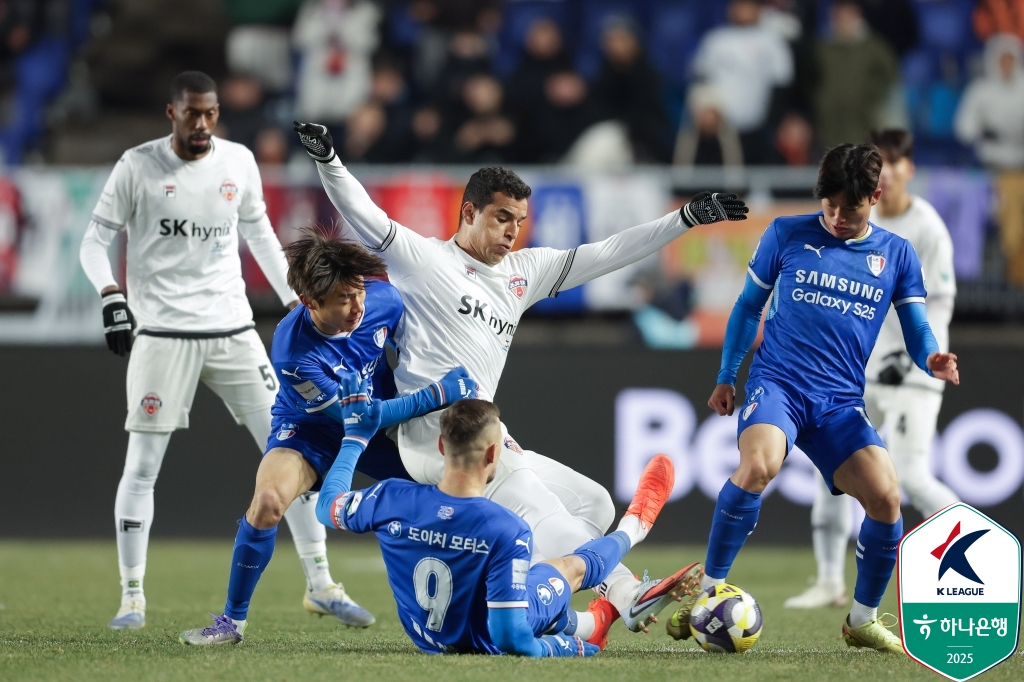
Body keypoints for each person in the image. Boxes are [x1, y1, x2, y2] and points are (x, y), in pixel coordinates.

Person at [292, 121, 747, 643]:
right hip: (437, 442)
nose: (513, 231)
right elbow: (364, 214)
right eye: (502, 218)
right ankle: (626, 594)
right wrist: (329, 160)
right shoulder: (424, 261)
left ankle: (544, 604)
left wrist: (684, 218)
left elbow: (609, 252)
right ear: (469, 213)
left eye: (520, 221)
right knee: (538, 504)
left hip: (487, 436)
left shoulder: (522, 273)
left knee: (594, 502)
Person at [77, 71, 367, 630]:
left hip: (234, 331)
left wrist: (294, 298)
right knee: (142, 467)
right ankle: (131, 598)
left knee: (295, 450)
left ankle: (322, 583)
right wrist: (112, 295)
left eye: (211, 113)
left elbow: (259, 232)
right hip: (163, 335)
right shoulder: (137, 166)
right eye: (193, 114)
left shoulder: (237, 161)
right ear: (172, 113)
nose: (204, 123)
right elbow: (94, 241)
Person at [665, 142, 960, 654]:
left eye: (852, 206)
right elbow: (747, 307)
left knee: (888, 499)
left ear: (876, 195)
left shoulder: (898, 254)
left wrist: (931, 357)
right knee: (759, 465)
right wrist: (727, 375)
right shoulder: (785, 232)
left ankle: (862, 621)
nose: (838, 216)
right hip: (776, 383)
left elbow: (917, 329)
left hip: (840, 402)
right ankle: (708, 594)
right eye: (829, 205)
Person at [179, 228, 478, 645]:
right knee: (267, 504)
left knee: (455, 501)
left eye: (358, 292)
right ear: (310, 302)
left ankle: (489, 607)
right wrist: (438, 395)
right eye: (343, 299)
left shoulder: (384, 301)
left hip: (385, 430)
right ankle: (232, 624)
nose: (357, 306)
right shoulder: (294, 353)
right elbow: (356, 417)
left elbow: (418, 352)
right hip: (310, 430)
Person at [316, 395, 700, 655]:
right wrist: (568, 650)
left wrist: (353, 438)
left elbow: (327, 507)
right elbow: (510, 636)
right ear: (494, 452)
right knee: (567, 566)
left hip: (425, 637)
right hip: (481, 637)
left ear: (439, 447)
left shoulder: (391, 498)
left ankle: (590, 621)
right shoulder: (506, 528)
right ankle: (636, 529)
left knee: (582, 516)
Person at [785, 130, 959, 609]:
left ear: (908, 170)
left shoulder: (927, 229)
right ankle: (827, 580)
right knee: (836, 469)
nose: (890, 173)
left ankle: (980, 556)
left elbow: (937, 304)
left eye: (898, 164)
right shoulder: (857, 214)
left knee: (907, 475)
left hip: (911, 374)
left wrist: (916, 357)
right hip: (859, 371)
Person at [955, 34, 1024, 287]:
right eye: (1002, 59)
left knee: (1014, 210)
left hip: (1019, 169)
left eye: (1011, 59)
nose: (1007, 65)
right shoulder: (980, 90)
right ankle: (972, 280)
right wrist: (986, 130)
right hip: (986, 170)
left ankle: (1017, 281)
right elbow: (963, 129)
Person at [691, 0, 794, 165]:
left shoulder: (773, 42)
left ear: (759, 9)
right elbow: (701, 80)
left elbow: (782, 84)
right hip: (720, 128)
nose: (743, 10)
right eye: (739, 5)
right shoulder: (716, 40)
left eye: (749, 6)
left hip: (760, 130)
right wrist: (707, 110)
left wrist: (776, 122)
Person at [814, 0, 898, 149]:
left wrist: (869, 95)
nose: (841, 19)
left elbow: (889, 75)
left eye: (846, 14)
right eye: (838, 14)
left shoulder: (874, 47)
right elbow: (812, 78)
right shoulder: (824, 47)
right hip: (830, 126)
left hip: (863, 123)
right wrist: (822, 98)